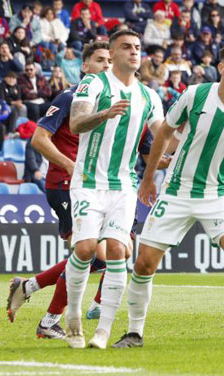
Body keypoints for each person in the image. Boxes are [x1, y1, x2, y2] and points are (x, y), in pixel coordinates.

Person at [113, 43, 224, 350]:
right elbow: (164, 133)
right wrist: (149, 176)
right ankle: (134, 333)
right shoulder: (195, 95)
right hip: (176, 190)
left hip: (218, 195)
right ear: (222, 68)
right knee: (143, 264)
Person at [64, 29, 165, 349]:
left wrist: (190, 134)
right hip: (88, 182)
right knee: (84, 249)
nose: (134, 52)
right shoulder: (93, 84)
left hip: (123, 185)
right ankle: (74, 317)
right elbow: (76, 123)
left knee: (119, 252)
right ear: (112, 52)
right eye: (125, 47)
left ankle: (103, 331)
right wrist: (105, 113)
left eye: (137, 47)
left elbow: (164, 137)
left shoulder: (149, 95)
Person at [6, 42, 111, 339]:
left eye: (109, 60)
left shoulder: (107, 101)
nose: (106, 65)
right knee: (88, 253)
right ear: (85, 66)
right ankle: (49, 321)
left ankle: (27, 288)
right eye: (99, 60)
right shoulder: (70, 96)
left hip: (92, 187)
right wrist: (69, 165)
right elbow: (39, 139)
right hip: (64, 186)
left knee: (99, 256)